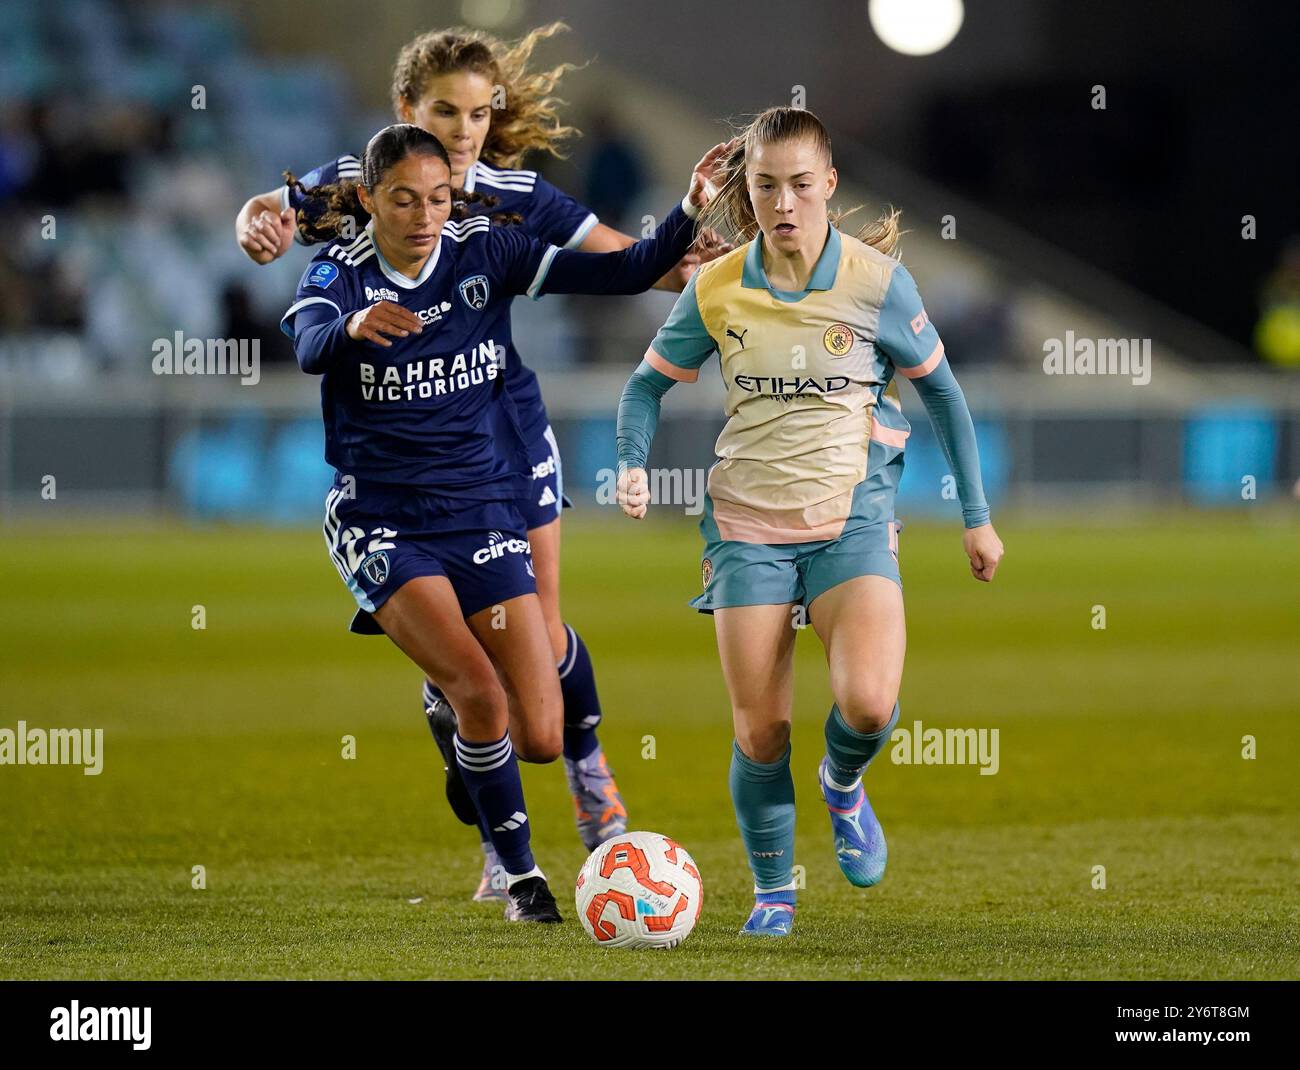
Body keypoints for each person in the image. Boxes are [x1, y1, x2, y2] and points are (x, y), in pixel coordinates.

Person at [238, 24, 729, 900]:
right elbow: (272, 223)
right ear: (405, 114)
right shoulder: (358, 188)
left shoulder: (512, 202)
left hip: (497, 424)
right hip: (394, 462)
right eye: (443, 113)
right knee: (482, 688)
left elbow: (623, 263)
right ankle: (504, 838)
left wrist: (698, 260)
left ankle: (580, 761)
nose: (463, 132)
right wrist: (259, 226)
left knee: (539, 637)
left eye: (477, 113)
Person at [615, 107, 1005, 936]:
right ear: (746, 192)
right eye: (764, 186)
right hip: (747, 524)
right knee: (761, 731)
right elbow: (645, 385)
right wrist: (630, 463)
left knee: (866, 704)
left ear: (829, 184)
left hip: (852, 518)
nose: (783, 202)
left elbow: (944, 395)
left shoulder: (877, 283)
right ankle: (772, 894)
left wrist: (977, 518)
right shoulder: (715, 289)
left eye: (799, 184)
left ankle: (842, 783)